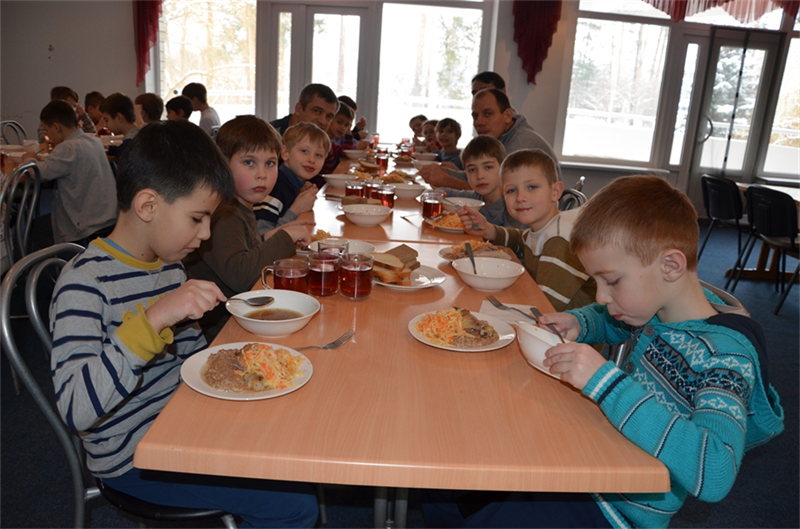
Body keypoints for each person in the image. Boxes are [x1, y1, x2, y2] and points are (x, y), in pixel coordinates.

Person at [424, 175, 784, 529]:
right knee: (448, 485)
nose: (600, 295)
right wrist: (578, 322)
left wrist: (608, 384)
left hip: (616, 509)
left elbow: (716, 471)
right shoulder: (654, 306)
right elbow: (611, 320)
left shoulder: (725, 358)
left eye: (611, 281)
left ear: (671, 266)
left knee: (476, 501)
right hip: (587, 461)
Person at [49, 120, 318, 529]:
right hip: (135, 455)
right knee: (295, 505)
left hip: (184, 419)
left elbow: (193, 360)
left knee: (298, 437)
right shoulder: (84, 284)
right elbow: (76, 409)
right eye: (197, 218)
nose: (206, 234)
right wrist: (154, 320)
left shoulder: (169, 266)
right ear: (148, 206)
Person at [185, 115, 312, 341]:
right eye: (249, 163)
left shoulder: (240, 205)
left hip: (238, 317)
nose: (262, 174)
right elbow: (240, 275)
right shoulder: (224, 214)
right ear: (223, 165)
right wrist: (284, 236)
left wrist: (269, 237)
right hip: (219, 330)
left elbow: (242, 248)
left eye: (270, 163)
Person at [458, 149, 594, 311]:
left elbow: (546, 307)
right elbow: (522, 239)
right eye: (511, 190)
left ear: (555, 192)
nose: (520, 197)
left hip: (570, 322)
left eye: (532, 187)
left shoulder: (559, 240)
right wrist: (489, 230)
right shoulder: (543, 227)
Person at [420, 88, 561, 190]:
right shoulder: (502, 135)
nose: (479, 122)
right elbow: (486, 179)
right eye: (475, 116)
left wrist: (446, 180)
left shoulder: (519, 144)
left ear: (507, 115)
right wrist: (449, 173)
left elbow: (497, 194)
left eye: (487, 114)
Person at [19, 100, 117, 245]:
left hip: (84, 224)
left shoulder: (68, 148)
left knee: (36, 228)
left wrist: (29, 159)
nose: (48, 135)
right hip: (107, 216)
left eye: (47, 130)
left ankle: (51, 259)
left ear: (56, 127)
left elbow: (38, 173)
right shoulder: (93, 141)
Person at [253, 122, 328, 235]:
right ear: (285, 153)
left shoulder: (292, 182)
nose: (312, 160)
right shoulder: (274, 187)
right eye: (304, 151)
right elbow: (263, 235)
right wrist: (296, 209)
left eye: (318, 155)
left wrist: (299, 194)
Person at [436, 136, 524, 230]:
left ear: (503, 169)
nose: (479, 176)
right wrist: (440, 194)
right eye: (472, 170)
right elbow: (443, 192)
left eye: (488, 167)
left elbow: (514, 237)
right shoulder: (475, 197)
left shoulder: (513, 203)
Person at [270, 83, 338, 135]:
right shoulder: (270, 135)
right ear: (299, 109)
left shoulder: (324, 141)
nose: (323, 121)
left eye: (329, 116)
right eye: (317, 111)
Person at [100, 92, 140, 159]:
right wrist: (109, 148)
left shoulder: (128, 145)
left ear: (119, 117)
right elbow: (120, 149)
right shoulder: (139, 134)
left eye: (107, 120)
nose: (105, 125)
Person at [321, 102, 356, 176]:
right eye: (339, 122)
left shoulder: (331, 144)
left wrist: (348, 133)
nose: (343, 128)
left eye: (346, 125)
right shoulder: (321, 142)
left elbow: (347, 153)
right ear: (330, 119)